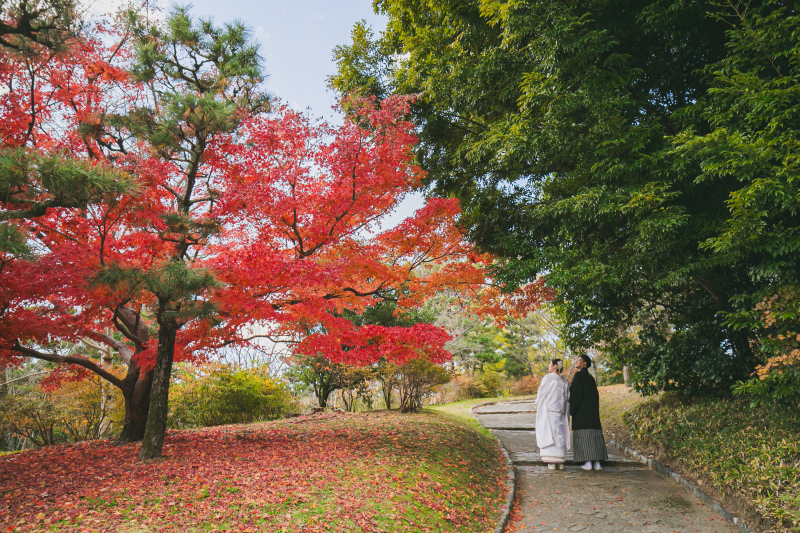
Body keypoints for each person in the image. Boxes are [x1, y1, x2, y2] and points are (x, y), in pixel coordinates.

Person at [569, 354, 608, 470]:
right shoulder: (590, 378)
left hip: (582, 412)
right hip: (592, 412)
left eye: (579, 360)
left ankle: (588, 462)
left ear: (585, 363)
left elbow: (575, 395)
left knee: (584, 436)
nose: (577, 361)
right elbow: (596, 396)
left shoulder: (578, 376)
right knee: (594, 435)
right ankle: (597, 463)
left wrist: (572, 410)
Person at [535, 358, 570, 470]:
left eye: (550, 364)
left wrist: (538, 404)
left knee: (549, 432)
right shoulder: (563, 381)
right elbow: (567, 397)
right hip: (561, 411)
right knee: (559, 434)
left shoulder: (548, 378)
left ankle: (551, 460)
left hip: (549, 410)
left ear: (555, 366)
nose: (549, 366)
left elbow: (541, 394)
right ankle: (559, 460)